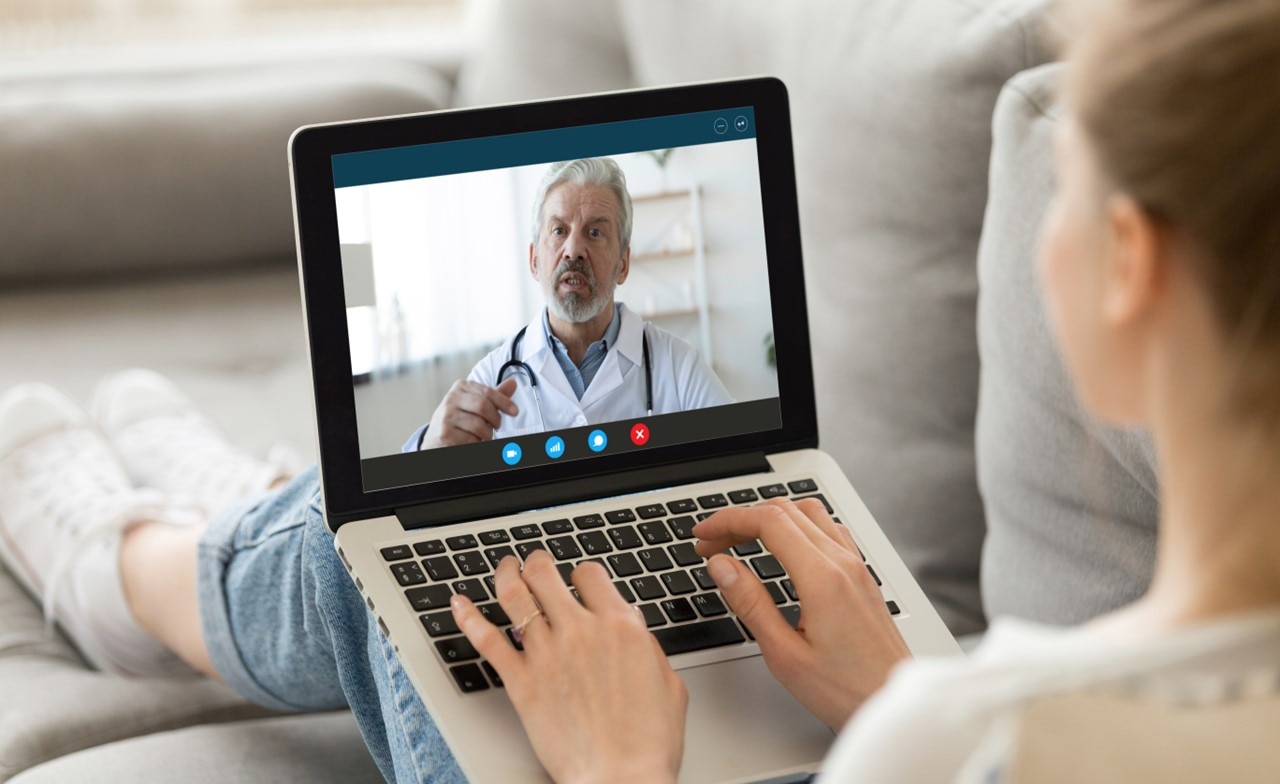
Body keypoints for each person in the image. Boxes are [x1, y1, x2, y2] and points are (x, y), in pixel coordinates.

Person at [0, 0, 1277, 780]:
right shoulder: (965, 724)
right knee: (425, 497)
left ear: (1127, 270)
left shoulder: (982, 735)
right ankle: (222, 521)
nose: (571, 252)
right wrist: (894, 685)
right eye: (553, 232)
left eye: (1063, 181)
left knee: (390, 546)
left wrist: (616, 761)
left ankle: (132, 570)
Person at [404, 157, 732, 451]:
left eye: (594, 232)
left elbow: (743, 459)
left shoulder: (679, 367)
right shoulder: (494, 374)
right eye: (559, 230)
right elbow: (414, 494)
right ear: (534, 260)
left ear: (623, 264)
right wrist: (430, 444)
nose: (573, 249)